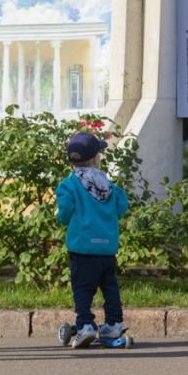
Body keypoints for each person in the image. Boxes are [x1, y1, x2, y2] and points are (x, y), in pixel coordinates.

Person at [56, 132, 129, 349]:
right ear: (96, 158)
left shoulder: (69, 185)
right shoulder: (107, 184)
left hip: (82, 247)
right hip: (106, 249)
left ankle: (85, 324)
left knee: (83, 288)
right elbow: (121, 207)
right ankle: (114, 324)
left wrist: (63, 218)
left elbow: (65, 212)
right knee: (110, 288)